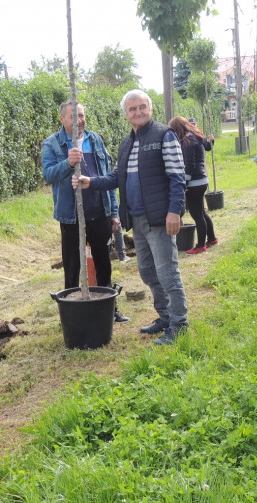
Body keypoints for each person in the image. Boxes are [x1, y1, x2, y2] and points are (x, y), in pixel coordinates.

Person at [73, 89, 189, 346]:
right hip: (136, 218)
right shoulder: (126, 144)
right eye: (132, 109)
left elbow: (177, 176)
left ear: (150, 109)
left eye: (142, 107)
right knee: (147, 272)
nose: (138, 112)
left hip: (159, 218)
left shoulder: (164, 135)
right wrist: (89, 181)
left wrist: (174, 211)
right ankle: (166, 317)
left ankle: (179, 324)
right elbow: (117, 177)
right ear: (126, 114)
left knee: (167, 273)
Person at [41, 100, 129, 323]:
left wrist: (113, 212)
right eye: (73, 117)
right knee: (72, 267)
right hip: (71, 217)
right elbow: (49, 175)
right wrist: (68, 163)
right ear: (62, 119)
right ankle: (71, 315)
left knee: (103, 265)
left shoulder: (95, 140)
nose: (79, 121)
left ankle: (110, 309)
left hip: (98, 212)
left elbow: (107, 175)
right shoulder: (52, 144)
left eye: (81, 115)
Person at [168, 116, 218, 255]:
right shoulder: (197, 135)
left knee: (197, 215)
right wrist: (212, 141)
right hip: (202, 180)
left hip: (194, 182)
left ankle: (201, 246)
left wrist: (183, 183)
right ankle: (212, 239)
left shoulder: (187, 141)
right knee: (201, 212)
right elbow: (208, 147)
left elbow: (189, 164)